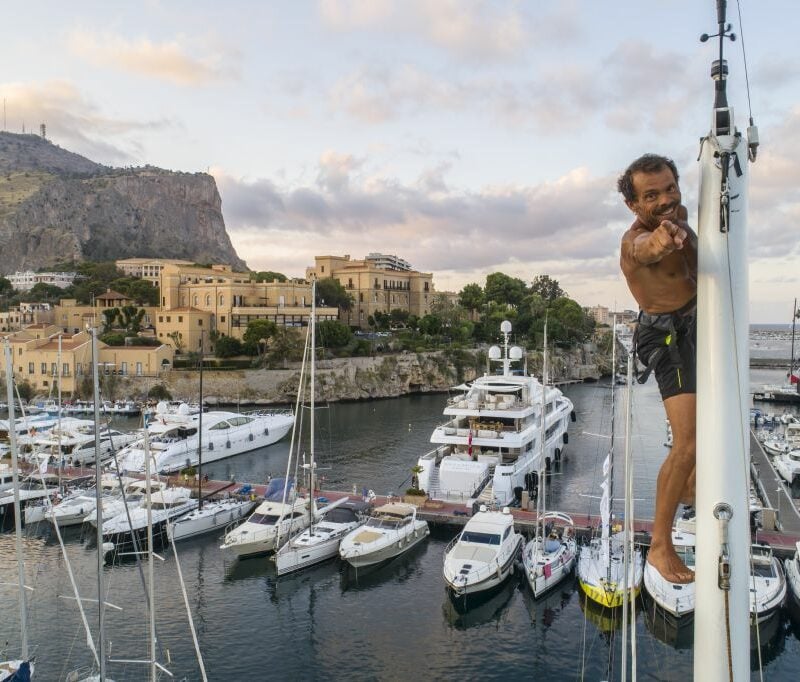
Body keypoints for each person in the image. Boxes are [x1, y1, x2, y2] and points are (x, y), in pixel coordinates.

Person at [618, 153, 697, 584]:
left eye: (669, 187)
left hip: (695, 322)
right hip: (666, 336)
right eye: (652, 195)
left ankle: (687, 488)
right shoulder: (634, 242)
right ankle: (660, 547)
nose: (666, 199)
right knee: (687, 441)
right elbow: (648, 249)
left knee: (703, 437)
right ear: (634, 205)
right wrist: (663, 240)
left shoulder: (679, 212)